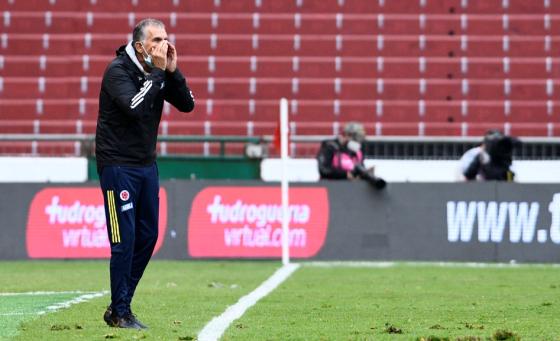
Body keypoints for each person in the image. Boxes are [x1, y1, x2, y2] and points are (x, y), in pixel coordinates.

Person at [95, 18, 195, 329]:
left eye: (165, 38)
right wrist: (156, 73)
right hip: (117, 166)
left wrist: (173, 72)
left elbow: (188, 104)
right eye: (156, 40)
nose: (163, 45)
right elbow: (136, 107)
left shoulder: (158, 71)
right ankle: (121, 312)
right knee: (123, 240)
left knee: (148, 236)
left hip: (145, 165)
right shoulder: (118, 71)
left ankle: (118, 305)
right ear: (140, 46)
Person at [317, 122, 386, 189]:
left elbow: (358, 169)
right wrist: (345, 174)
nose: (358, 142)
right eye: (356, 139)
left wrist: (364, 174)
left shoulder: (357, 152)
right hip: (330, 188)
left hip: (350, 190)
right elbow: (324, 170)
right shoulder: (329, 147)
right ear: (347, 135)